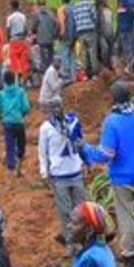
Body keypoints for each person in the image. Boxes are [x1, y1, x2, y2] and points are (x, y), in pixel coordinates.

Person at [86, 83, 134, 267]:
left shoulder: (112, 122)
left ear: (113, 99)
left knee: (126, 217)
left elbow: (106, 154)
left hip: (122, 177)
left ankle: (129, 257)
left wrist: (86, 150)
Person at [38, 98, 88, 254]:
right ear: (50, 110)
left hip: (76, 172)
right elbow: (42, 151)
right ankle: (71, 243)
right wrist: (44, 172)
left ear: (63, 106)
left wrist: (85, 162)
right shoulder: (46, 128)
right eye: (53, 107)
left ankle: (84, 240)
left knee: (82, 209)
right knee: (65, 212)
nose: (57, 109)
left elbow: (81, 142)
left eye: (59, 105)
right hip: (59, 176)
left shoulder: (73, 122)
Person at [0, 71, 31, 177]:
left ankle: (10, 171)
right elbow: (26, 107)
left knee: (9, 146)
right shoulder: (21, 92)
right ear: (14, 80)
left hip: (7, 123)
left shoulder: (0, 94)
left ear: (4, 81)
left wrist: (1, 116)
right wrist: (21, 115)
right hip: (19, 123)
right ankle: (19, 168)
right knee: (21, 145)